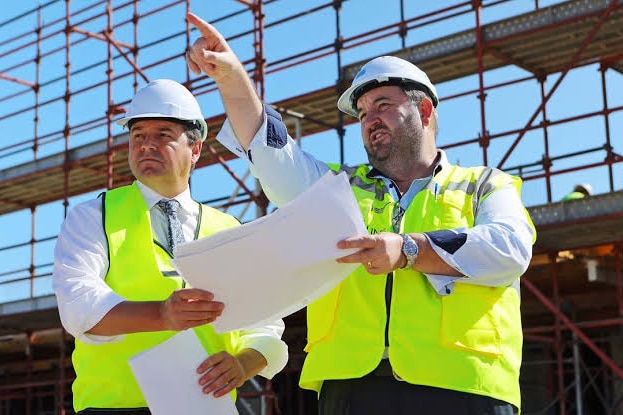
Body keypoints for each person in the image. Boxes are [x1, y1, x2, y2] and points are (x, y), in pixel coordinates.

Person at [185, 12, 536, 415]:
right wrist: (232, 80)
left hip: (463, 385)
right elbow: (272, 155)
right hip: (352, 388)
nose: (370, 119)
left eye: (382, 105)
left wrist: (408, 249)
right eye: (363, 112)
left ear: (424, 113)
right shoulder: (340, 190)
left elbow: (509, 249)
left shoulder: (484, 184)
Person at [52, 78, 288, 414]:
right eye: (138, 136)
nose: (146, 145)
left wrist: (244, 364)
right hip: (114, 407)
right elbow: (78, 305)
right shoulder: (93, 218)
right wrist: (162, 314)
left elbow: (266, 325)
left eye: (163, 135)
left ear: (195, 149)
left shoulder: (229, 230)